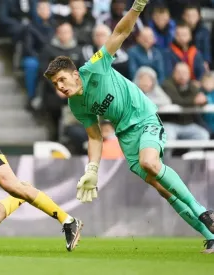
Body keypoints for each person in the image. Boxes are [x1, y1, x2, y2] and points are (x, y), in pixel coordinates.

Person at [43, 0, 214, 254]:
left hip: (144, 118)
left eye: (62, 80)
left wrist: (137, 7)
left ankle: (203, 212)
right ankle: (210, 235)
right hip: (125, 135)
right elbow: (95, 136)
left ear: (75, 74)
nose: (60, 87)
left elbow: (120, 33)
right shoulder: (76, 105)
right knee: (164, 189)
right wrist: (92, 169)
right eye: (56, 84)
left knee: (150, 163)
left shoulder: (95, 66)